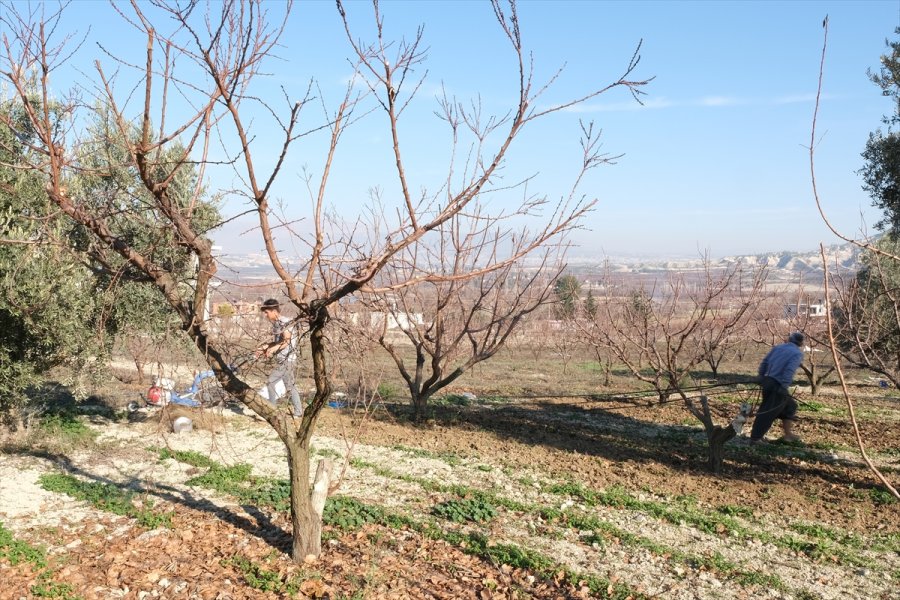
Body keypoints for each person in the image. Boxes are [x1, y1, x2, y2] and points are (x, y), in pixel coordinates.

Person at [750, 332, 805, 444]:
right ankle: (755, 438)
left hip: (767, 381)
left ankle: (788, 435)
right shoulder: (797, 354)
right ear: (801, 343)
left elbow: (765, 362)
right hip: (777, 384)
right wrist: (784, 386)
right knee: (768, 411)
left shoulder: (778, 348)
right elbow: (789, 370)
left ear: (789, 339)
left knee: (790, 406)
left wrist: (761, 376)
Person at [255, 298, 303, 417]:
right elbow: (277, 342)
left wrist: (273, 349)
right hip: (284, 359)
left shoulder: (284, 322)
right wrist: (264, 348)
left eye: (267, 312)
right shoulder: (276, 324)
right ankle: (298, 412)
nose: (265, 315)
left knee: (271, 383)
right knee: (290, 386)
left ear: (274, 311)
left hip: (287, 359)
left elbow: (286, 341)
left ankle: (272, 411)